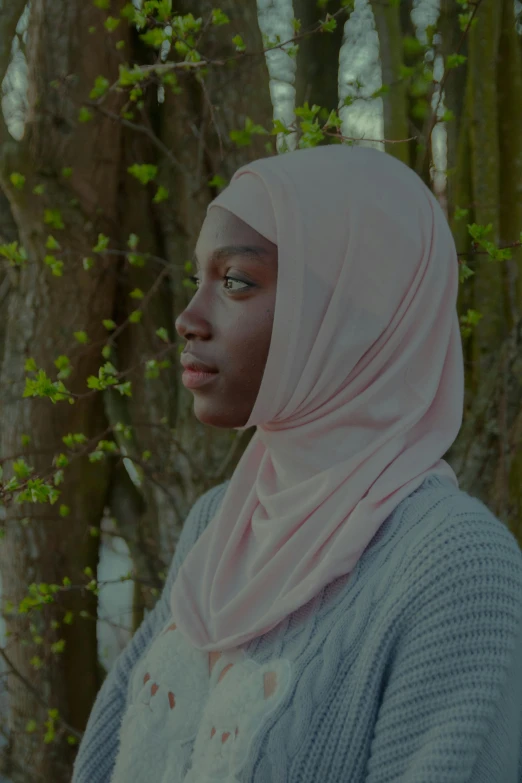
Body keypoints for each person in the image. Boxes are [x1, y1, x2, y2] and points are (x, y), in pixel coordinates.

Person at [72, 144, 522, 783]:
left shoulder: (457, 569)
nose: (188, 318)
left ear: (349, 320)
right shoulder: (221, 522)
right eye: (198, 278)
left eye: (234, 282)